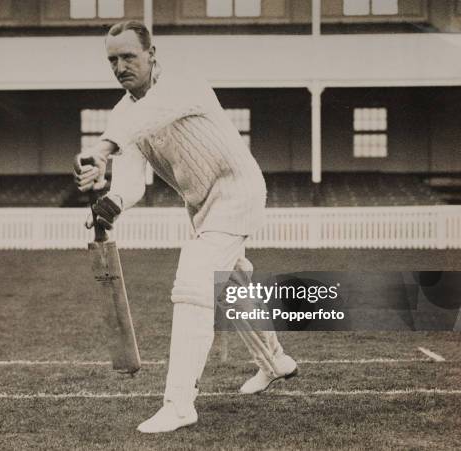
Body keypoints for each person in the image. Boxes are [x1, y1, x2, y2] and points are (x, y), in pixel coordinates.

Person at [74, 20, 297, 434]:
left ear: (151, 55)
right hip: (201, 206)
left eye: (129, 56)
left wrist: (103, 148)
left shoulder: (183, 83)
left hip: (239, 192)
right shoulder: (124, 115)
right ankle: (275, 361)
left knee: (193, 284)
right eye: (112, 60)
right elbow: (132, 178)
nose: (120, 66)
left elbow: (149, 116)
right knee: (233, 285)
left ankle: (179, 404)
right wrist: (112, 202)